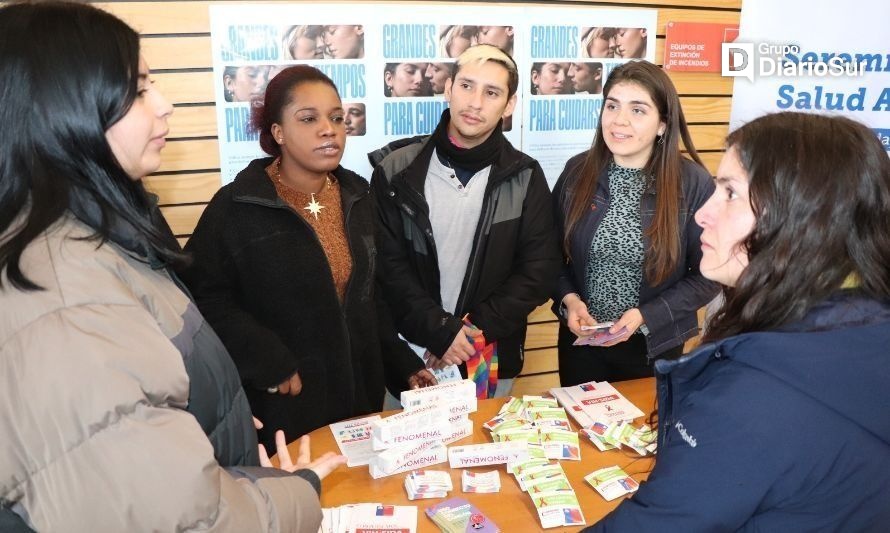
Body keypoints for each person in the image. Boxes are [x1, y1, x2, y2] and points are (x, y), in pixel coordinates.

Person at [0, 2, 343, 531]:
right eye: (138, 89)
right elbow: (187, 517)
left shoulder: (109, 234)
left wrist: (213, 417)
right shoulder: (65, 298)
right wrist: (301, 496)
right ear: (62, 107)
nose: (165, 105)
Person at [586, 112, 890, 531]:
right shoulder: (862, 325)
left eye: (729, 192)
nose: (702, 215)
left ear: (803, 216)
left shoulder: (757, 395)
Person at [181, 65, 434, 449]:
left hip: (359, 410)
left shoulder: (359, 197)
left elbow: (368, 299)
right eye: (308, 119)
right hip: (283, 412)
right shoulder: (236, 207)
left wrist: (403, 365)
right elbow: (202, 298)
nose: (329, 129)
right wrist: (262, 354)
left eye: (336, 118)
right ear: (278, 132)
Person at [369, 45, 562, 400]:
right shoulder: (395, 170)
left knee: (483, 454)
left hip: (485, 354)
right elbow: (386, 268)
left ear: (509, 105)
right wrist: (439, 331)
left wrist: (470, 332)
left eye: (492, 93)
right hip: (411, 360)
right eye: (467, 86)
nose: (475, 103)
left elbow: (539, 270)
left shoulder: (525, 176)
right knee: (409, 455)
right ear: (448, 89)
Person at [553, 60, 718, 385]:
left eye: (638, 110)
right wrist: (569, 300)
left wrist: (646, 316)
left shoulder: (693, 184)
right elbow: (547, 256)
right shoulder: (577, 171)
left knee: (642, 436)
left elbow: (709, 276)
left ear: (662, 124)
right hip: (581, 344)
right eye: (612, 106)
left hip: (654, 346)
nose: (619, 120)